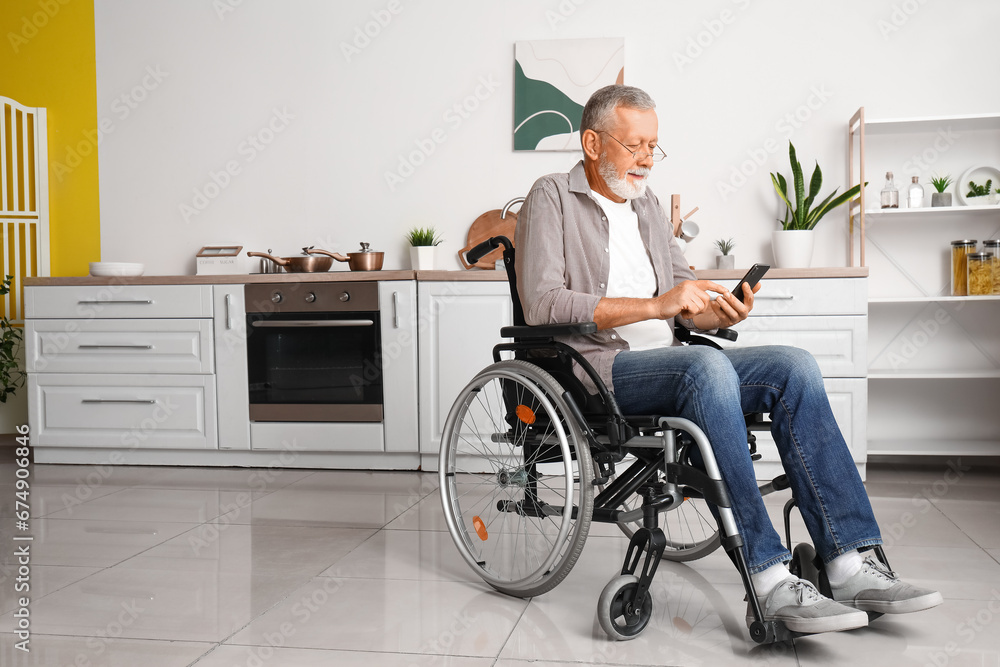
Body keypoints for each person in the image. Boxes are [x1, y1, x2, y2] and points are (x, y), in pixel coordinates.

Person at [514, 84, 942, 637]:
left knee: (793, 366)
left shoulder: (645, 206)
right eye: (635, 143)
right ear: (593, 142)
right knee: (706, 369)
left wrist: (715, 313)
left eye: (654, 145)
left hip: (670, 360)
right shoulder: (550, 196)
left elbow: (682, 290)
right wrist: (653, 305)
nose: (647, 157)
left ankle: (850, 563)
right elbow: (542, 302)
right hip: (597, 372)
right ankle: (769, 579)